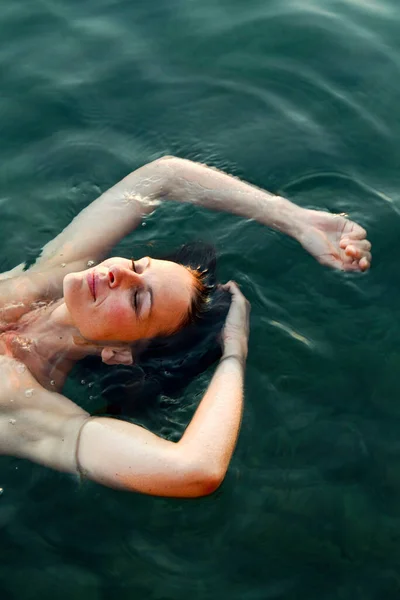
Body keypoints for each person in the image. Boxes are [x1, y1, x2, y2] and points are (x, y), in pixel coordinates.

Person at [0, 156, 372, 497]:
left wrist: (234, 352)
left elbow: (194, 468)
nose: (119, 274)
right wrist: (294, 219)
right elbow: (163, 177)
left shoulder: (25, 407)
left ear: (117, 354)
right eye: (136, 264)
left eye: (137, 300)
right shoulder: (51, 274)